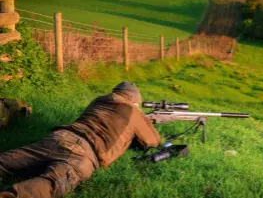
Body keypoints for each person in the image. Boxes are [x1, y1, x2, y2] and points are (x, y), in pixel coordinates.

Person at [0, 81, 161, 198]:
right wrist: (145, 120)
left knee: (7, 162)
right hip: (85, 154)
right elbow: (152, 141)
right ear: (134, 100)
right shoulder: (133, 111)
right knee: (51, 184)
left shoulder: (99, 100)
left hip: (59, 137)